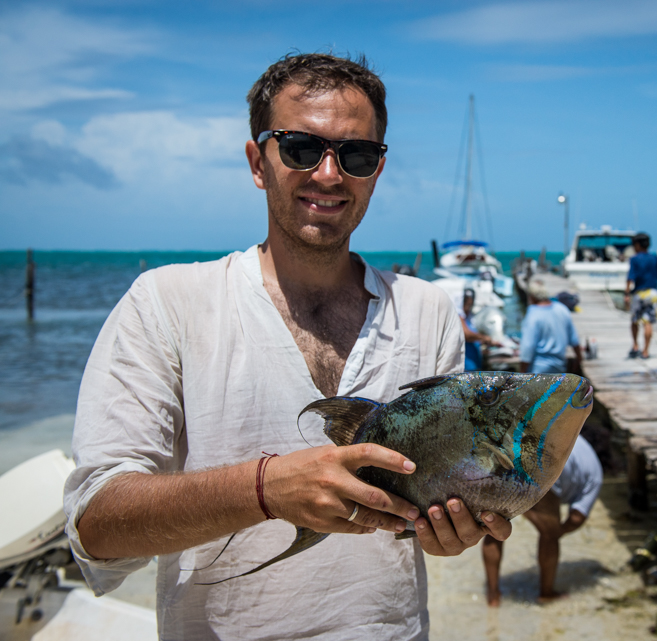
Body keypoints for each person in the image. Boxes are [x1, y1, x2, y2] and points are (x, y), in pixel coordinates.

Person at [62, 53, 511, 640]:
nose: (329, 174)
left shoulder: (427, 311)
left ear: (376, 169)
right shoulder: (166, 302)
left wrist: (458, 528)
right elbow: (96, 524)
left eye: (355, 155)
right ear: (258, 161)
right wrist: (264, 489)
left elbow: (445, 501)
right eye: (301, 148)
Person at [482, 435, 603, 605]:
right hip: (539, 470)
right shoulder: (595, 477)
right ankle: (547, 593)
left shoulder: (578, 438)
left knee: (493, 526)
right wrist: (555, 533)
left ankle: (493, 594)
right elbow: (576, 519)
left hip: (510, 455)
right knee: (549, 536)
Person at [519, 280, 582, 374]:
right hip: (559, 367)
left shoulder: (533, 314)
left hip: (537, 370)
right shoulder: (562, 309)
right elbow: (574, 340)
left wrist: (522, 371)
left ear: (531, 296)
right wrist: (579, 359)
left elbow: (528, 346)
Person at [623, 233, 657, 359]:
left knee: (634, 321)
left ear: (637, 245)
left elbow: (630, 278)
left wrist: (627, 294)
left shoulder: (634, 259)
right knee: (648, 322)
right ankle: (646, 351)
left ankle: (635, 345)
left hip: (639, 293)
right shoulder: (655, 258)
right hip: (653, 292)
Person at [459, 288, 498, 370]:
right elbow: (466, 335)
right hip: (466, 365)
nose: (469, 302)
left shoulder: (470, 317)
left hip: (474, 363)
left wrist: (486, 342)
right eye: (466, 299)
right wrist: (484, 337)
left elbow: (473, 337)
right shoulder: (459, 316)